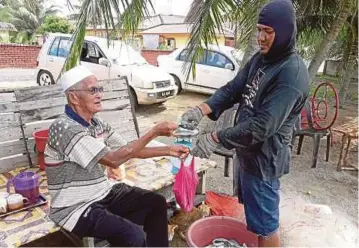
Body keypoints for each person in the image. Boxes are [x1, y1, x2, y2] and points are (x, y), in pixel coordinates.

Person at [180, 0, 309, 247]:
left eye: (268, 32)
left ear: (284, 32)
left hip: (265, 160)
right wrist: (201, 109)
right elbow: (233, 89)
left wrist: (215, 137)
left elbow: (262, 126)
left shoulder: (290, 73)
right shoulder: (262, 59)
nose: (261, 37)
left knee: (266, 225)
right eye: (259, 30)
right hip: (248, 152)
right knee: (256, 219)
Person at [44, 65, 189, 247]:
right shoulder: (64, 127)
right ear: (73, 97)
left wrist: (168, 150)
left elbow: (128, 149)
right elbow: (113, 159)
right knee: (133, 235)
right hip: (75, 207)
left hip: (103, 192)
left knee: (157, 203)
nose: (99, 94)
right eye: (92, 90)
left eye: (99, 89)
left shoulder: (97, 123)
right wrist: (153, 132)